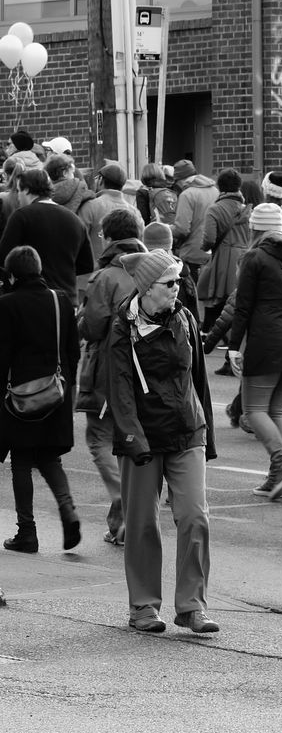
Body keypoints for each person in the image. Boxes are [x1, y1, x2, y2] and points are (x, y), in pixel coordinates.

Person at [103, 249, 217, 634]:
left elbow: (198, 380)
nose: (178, 289)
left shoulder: (184, 317)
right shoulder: (123, 326)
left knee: (194, 516)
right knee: (142, 524)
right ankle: (143, 607)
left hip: (187, 430)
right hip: (143, 437)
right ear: (148, 289)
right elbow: (119, 390)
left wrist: (208, 433)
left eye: (178, 281)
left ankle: (191, 606)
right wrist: (133, 439)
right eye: (170, 284)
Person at [219, 201, 282, 500]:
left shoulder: (254, 258)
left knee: (254, 409)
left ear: (254, 228)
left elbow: (243, 306)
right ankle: (277, 476)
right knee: (277, 410)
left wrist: (234, 347)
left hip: (268, 340)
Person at [0, 246, 82, 553]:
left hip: (20, 397)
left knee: (21, 460)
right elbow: (73, 349)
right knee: (49, 456)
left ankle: (27, 532)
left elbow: (2, 355)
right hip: (56, 391)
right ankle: (68, 509)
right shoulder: (59, 299)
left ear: (12, 275)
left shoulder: (7, 305)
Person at [76, 208, 147, 544]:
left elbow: (92, 326)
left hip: (108, 366)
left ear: (106, 236)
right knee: (130, 438)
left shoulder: (106, 275)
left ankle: (124, 501)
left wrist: (79, 319)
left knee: (99, 438)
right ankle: (120, 522)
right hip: (148, 368)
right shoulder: (156, 268)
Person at [0, 166, 94, 309]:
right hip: (66, 300)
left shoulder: (21, 217)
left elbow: (4, 256)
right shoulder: (74, 220)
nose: (18, 197)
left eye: (19, 191)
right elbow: (87, 264)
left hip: (29, 300)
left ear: (27, 190)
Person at [194, 168, 253, 332]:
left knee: (216, 295)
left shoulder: (215, 209)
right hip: (243, 255)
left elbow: (210, 239)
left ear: (220, 187)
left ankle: (211, 329)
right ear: (238, 187)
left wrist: (204, 248)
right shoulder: (247, 209)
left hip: (222, 256)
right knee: (236, 295)